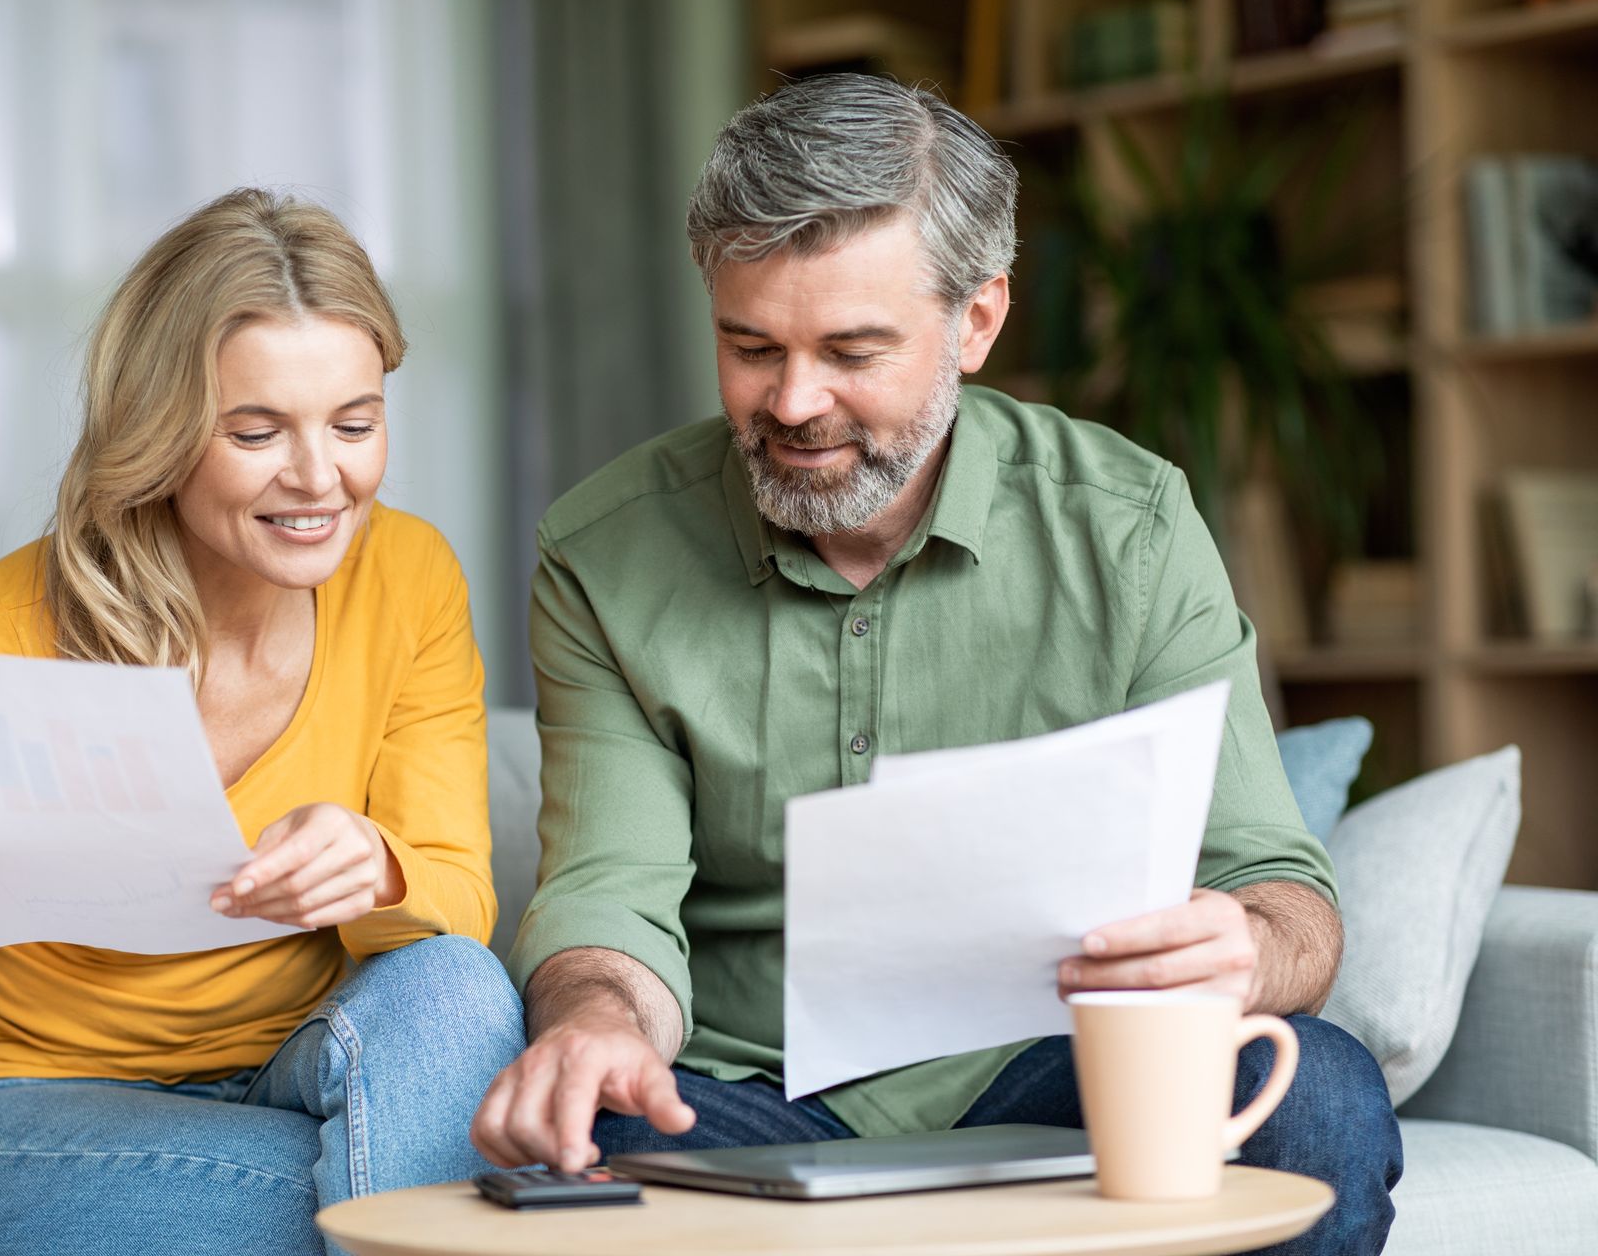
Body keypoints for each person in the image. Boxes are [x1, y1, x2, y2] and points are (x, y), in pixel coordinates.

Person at [470, 74, 1401, 1255]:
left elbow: (1280, 887)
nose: (793, 401)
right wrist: (596, 1020)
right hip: (744, 1094)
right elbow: (613, 892)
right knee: (572, 1141)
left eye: (852, 349)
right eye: (750, 346)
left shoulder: (1130, 528)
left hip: (1053, 1069)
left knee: (1315, 1093)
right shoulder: (606, 554)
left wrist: (1251, 944)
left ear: (978, 319)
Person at [0, 188, 524, 1255]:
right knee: (431, 1198)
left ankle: (412, 1206)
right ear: (162, 433)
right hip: (16, 1118)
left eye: (355, 422)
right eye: (255, 431)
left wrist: (380, 871)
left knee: (456, 982)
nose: (319, 477)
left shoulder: (410, 576)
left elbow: (456, 907)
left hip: (295, 1074)